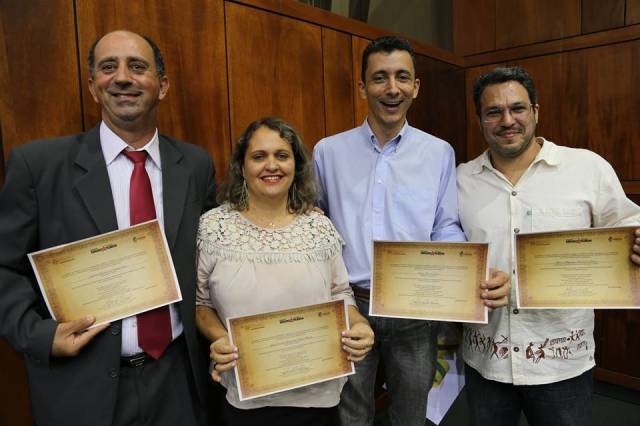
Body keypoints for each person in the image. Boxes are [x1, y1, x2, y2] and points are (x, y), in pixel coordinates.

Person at [0, 30, 216, 426]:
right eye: (107, 67)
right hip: (81, 389)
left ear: (162, 85)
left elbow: (215, 257)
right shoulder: (39, 166)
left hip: (178, 383)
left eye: (137, 67)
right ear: (93, 86)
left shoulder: (196, 165)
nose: (122, 77)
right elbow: (3, 267)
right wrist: (37, 335)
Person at [312, 36, 509, 426]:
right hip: (351, 306)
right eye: (379, 78)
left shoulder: (439, 152)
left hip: (415, 308)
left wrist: (467, 270)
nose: (392, 88)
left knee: (411, 415)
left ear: (415, 87)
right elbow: (316, 226)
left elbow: (445, 226)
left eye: (402, 77)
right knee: (350, 416)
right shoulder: (327, 152)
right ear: (362, 86)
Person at [457, 66, 640, 426]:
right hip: (486, 361)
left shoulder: (586, 168)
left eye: (518, 109)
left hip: (562, 362)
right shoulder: (461, 180)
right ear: (480, 119)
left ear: (536, 112)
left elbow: (626, 224)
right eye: (494, 112)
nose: (507, 120)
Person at [195, 117, 375, 426]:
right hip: (245, 399)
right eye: (258, 156)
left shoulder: (319, 227)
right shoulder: (213, 227)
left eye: (282, 155)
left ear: (296, 165)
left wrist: (360, 326)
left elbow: (341, 294)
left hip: (318, 397)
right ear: (241, 166)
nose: (271, 165)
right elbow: (201, 305)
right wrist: (219, 338)